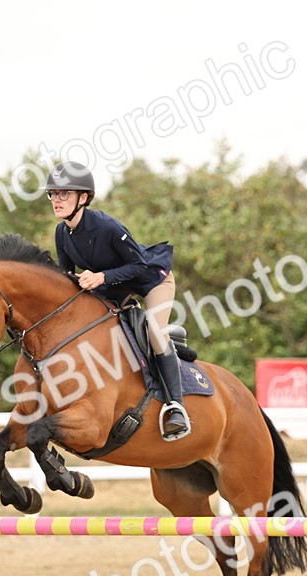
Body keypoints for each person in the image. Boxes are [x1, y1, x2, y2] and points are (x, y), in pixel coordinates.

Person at [45, 161, 189, 441]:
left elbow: (139, 265)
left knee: (154, 332)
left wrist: (99, 277)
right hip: (116, 287)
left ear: (83, 198)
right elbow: (68, 276)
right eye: (53, 194)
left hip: (152, 280)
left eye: (64, 193)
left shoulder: (106, 226)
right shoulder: (62, 233)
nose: (56, 200)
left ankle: (176, 407)